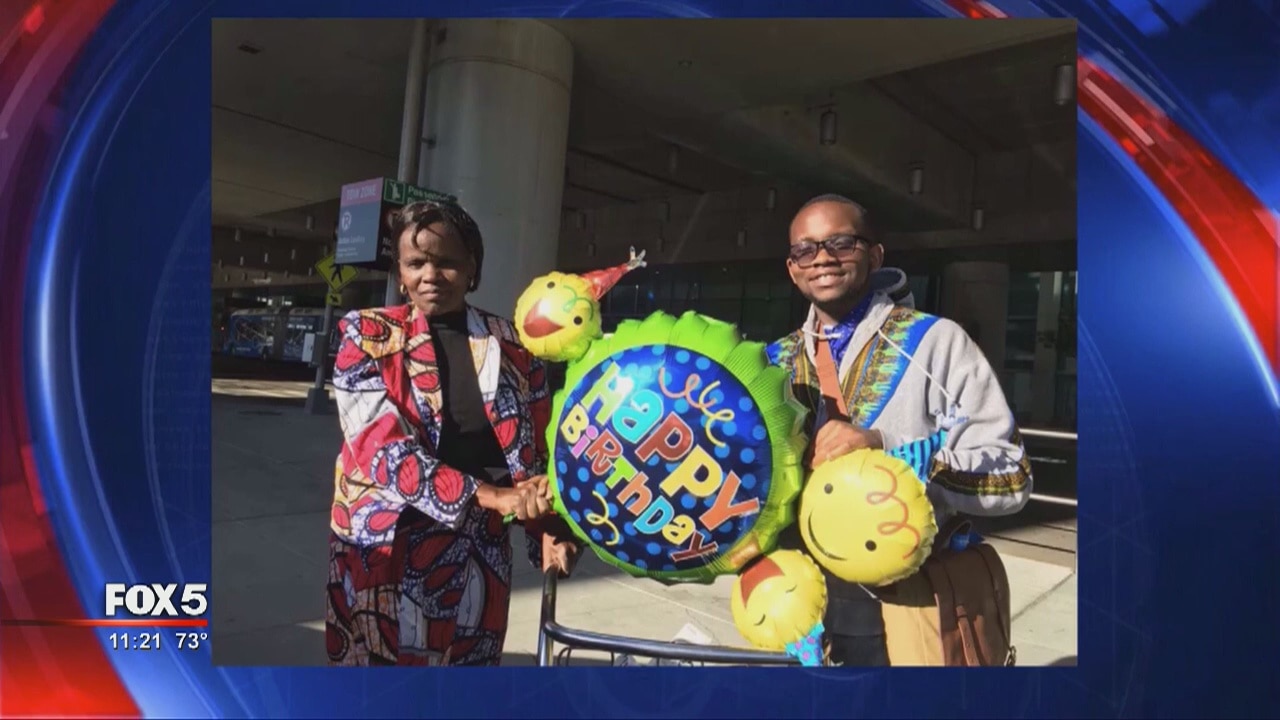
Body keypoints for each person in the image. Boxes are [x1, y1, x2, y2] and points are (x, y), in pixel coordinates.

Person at [767, 194, 1033, 666]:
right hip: (804, 606)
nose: (822, 258)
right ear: (792, 269)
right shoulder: (773, 362)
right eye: (805, 250)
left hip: (911, 604)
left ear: (874, 255)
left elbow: (1011, 476)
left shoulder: (936, 342)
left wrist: (888, 451)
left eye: (840, 243)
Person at [325, 199, 580, 666]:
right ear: (400, 271)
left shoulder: (513, 345)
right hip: (388, 552)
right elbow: (383, 451)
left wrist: (548, 526)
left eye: (446, 263)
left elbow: (537, 449)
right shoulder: (365, 336)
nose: (430, 275)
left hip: (481, 557)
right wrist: (493, 496)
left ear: (471, 268)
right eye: (416, 263)